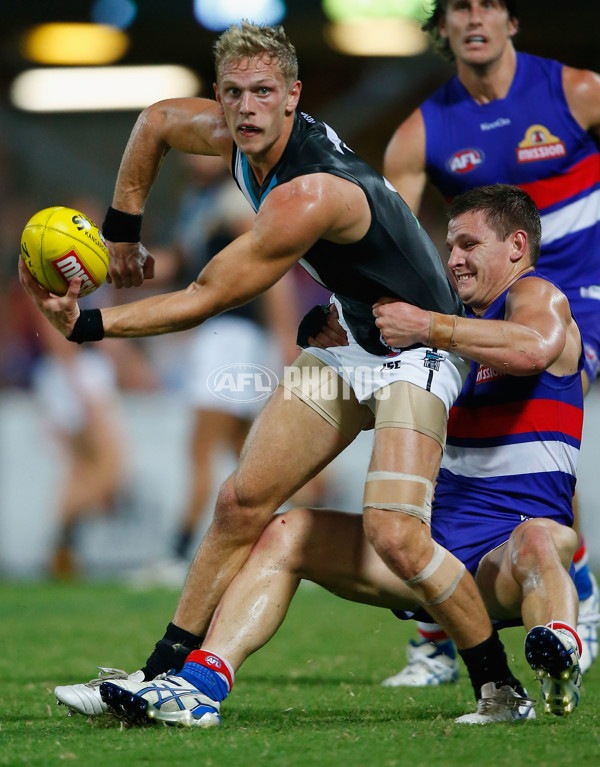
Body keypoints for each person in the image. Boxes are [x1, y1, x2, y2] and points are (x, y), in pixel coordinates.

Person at [23, 22, 524, 724]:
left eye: (264, 91)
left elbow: (207, 295)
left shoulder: (310, 192)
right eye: (233, 93)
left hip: (419, 348)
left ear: (293, 97)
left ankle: (501, 687)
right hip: (352, 340)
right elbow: (157, 120)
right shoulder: (234, 138)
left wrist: (86, 324)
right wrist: (123, 233)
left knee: (397, 534)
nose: (248, 107)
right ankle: (163, 677)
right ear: (222, 101)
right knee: (240, 502)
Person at [61, 185, 583, 726]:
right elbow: (378, 380)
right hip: (437, 553)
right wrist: (336, 336)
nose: (453, 259)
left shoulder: (537, 297)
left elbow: (532, 348)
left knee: (541, 542)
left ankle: (559, 647)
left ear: (517, 246)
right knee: (287, 535)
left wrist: (428, 328)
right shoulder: (439, 325)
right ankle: (200, 686)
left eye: (470, 245)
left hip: (510, 549)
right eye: (450, 245)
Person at [381, 0, 600, 685]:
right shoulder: (421, 134)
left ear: (511, 19)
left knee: (533, 415)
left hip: (580, 302)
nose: (474, 18)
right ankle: (469, 616)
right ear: (441, 28)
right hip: (483, 307)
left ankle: (560, 588)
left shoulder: (577, 91)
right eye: (458, 8)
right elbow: (388, 236)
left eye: (488, 4)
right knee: (435, 425)